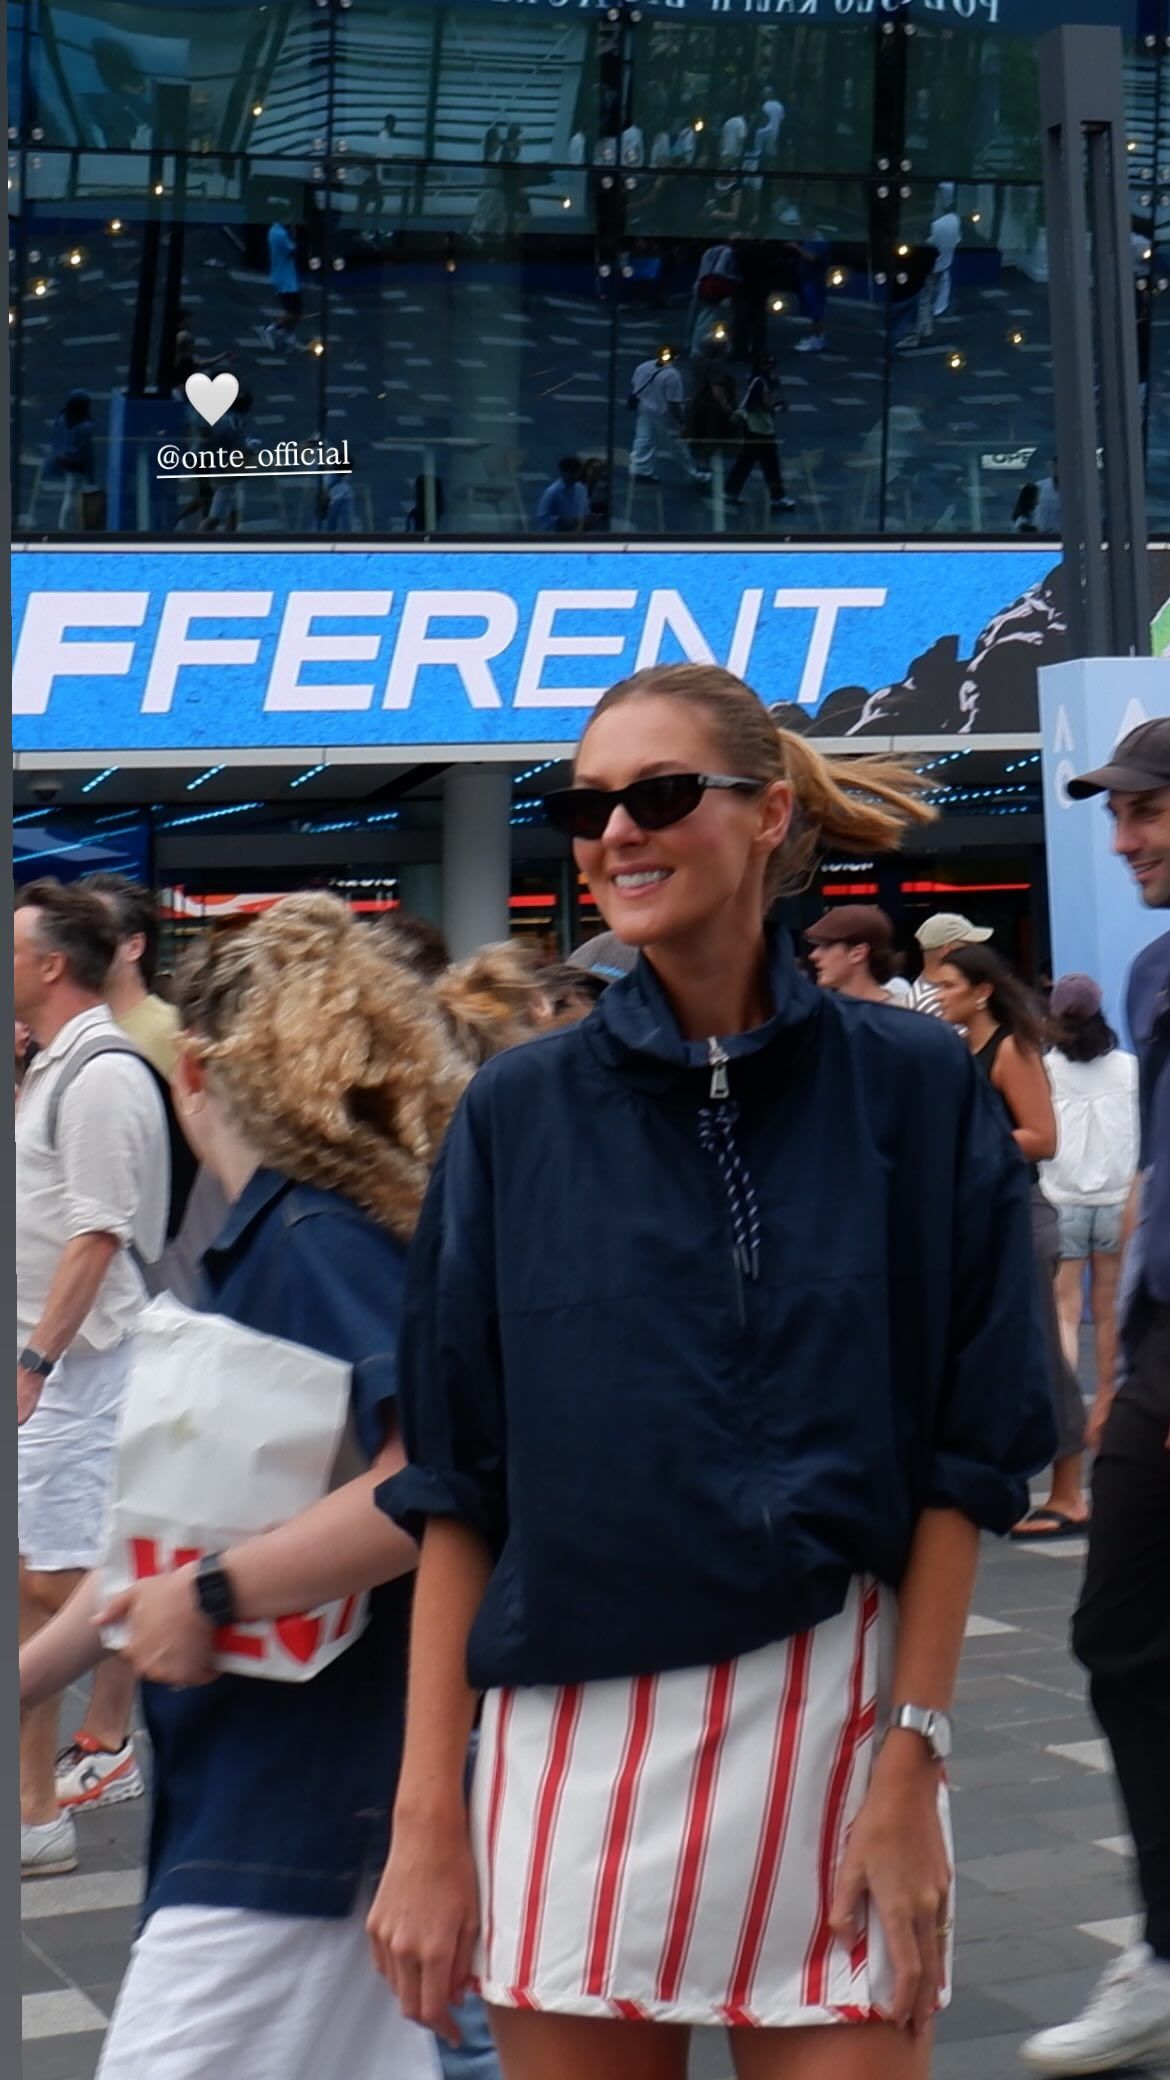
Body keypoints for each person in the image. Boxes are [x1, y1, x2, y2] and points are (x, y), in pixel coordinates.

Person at [367, 660, 1054, 2079]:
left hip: (845, 1727)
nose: (616, 831)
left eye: (661, 793)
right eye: (587, 805)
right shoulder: (514, 1115)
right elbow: (457, 1483)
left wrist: (915, 1755)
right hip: (570, 1741)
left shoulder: (912, 1086)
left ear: (767, 815)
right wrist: (426, 1816)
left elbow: (968, 1449)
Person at [19, 893, 466, 2080]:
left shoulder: (309, 1243)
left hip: (295, 1799)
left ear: (199, 1068)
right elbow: (162, 1542)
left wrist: (212, 1593)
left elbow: (426, 1480)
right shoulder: (313, 1234)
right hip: (300, 1798)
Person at [1021, 719, 1170, 2077]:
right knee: (1119, 1634)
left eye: (1145, 812)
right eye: (1115, 814)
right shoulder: (1152, 971)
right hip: (1158, 1352)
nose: (1122, 840)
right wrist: (1125, 1344)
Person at [14, 882, 169, 1873]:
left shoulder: (103, 1073)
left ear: (49, 965)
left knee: (50, 1582)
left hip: (78, 1367)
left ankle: (181, 1658)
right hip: (54, 1365)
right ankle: (37, 1811)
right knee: (34, 1587)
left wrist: (35, 1362)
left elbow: (98, 1234)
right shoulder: (51, 1063)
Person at [934, 945, 1088, 1540]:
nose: (938, 995)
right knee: (996, 1353)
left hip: (1020, 1214)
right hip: (980, 1218)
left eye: (948, 985)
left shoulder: (1010, 1049)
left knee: (1041, 1352)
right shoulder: (959, 1049)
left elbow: (1042, 1137)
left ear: (981, 993)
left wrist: (965, 1146)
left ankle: (1070, 1492)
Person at [1040, 975, 1139, 1443]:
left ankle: (1065, 1414)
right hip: (1117, 1198)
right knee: (1107, 1308)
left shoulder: (1046, 1069)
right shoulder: (1127, 1069)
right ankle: (1107, 1400)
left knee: (1064, 1309)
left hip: (1063, 1197)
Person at [84, 873, 180, 1077]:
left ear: (134, 946)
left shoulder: (172, 1032)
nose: (81, 946)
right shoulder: (68, 1030)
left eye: (97, 934)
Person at [725, 357, 795, 514]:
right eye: (766, 363)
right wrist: (779, 406)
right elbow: (766, 405)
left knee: (746, 461)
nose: (770, 366)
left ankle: (731, 491)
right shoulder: (761, 382)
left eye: (771, 363)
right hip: (760, 429)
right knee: (770, 464)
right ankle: (777, 497)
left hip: (753, 427)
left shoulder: (758, 380)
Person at [627, 350, 704, 486]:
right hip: (663, 414)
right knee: (676, 444)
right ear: (676, 357)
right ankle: (694, 472)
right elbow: (673, 403)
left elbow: (635, 385)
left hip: (644, 408)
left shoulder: (643, 367)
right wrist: (681, 422)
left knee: (644, 438)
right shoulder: (672, 375)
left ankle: (640, 468)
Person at [804, 904, 904, 1005]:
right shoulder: (818, 1010)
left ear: (858, 954)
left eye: (826, 946)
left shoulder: (902, 1011)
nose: (813, 955)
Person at [908, 913, 992, 1017]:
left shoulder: (931, 992)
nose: (975, 951)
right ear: (947, 951)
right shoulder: (933, 1004)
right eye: (969, 945)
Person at [46, 390, 96, 532]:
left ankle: (69, 525)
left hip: (60, 460)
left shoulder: (61, 418)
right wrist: (90, 474)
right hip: (75, 465)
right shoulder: (86, 426)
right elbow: (86, 452)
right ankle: (66, 527)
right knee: (72, 496)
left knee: (71, 495)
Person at [262, 216, 302, 351]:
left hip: (281, 276)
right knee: (295, 313)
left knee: (290, 310)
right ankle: (271, 329)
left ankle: (289, 339)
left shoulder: (273, 230)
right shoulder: (282, 234)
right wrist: (294, 234)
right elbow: (293, 250)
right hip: (286, 280)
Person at [535, 455, 588, 533]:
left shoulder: (582, 490)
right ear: (563, 472)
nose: (576, 475)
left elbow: (585, 511)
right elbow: (542, 517)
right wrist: (560, 522)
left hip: (577, 536)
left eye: (577, 472)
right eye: (573, 472)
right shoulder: (553, 492)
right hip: (557, 536)